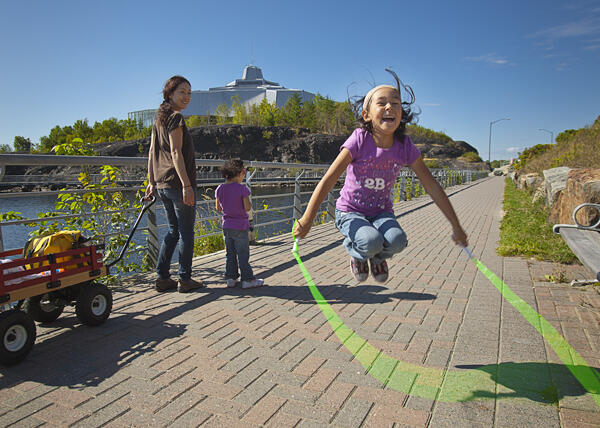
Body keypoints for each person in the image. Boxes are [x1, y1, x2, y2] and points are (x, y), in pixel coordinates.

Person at [293, 70, 468, 284]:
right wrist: (307, 219)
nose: (389, 107)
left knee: (397, 241)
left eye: (396, 103)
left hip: (381, 212)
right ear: (366, 114)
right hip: (350, 211)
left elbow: (432, 186)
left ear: (401, 114)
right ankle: (358, 255)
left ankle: (376, 258)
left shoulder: (404, 146)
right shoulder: (359, 139)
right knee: (370, 240)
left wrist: (456, 226)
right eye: (382, 103)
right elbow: (329, 179)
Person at [145, 75, 204, 293]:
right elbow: (175, 152)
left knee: (172, 231)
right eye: (182, 92)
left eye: (189, 93)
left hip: (162, 184)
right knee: (186, 232)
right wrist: (187, 186)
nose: (187, 96)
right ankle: (185, 279)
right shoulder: (176, 118)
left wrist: (152, 181)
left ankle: (161, 277)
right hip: (178, 185)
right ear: (170, 93)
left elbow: (152, 152)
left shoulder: (159, 118)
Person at [215, 159, 264, 289]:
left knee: (230, 254)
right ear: (238, 173)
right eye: (243, 171)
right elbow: (247, 207)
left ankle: (231, 278)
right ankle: (247, 279)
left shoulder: (220, 188)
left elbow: (218, 208)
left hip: (227, 226)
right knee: (243, 254)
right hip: (241, 227)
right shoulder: (242, 189)